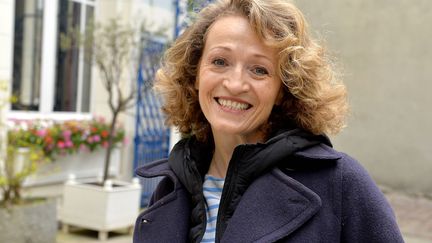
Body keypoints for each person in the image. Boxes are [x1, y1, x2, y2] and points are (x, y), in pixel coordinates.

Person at [133, 0, 404, 242]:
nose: (235, 83)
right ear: (195, 75)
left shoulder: (342, 183)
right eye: (219, 61)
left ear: (283, 89)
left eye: (259, 69)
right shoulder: (170, 188)